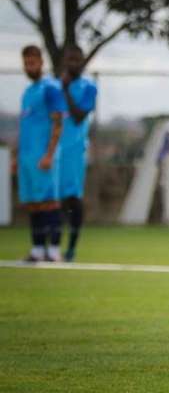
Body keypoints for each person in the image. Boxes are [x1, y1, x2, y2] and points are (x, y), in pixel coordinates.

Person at [16, 45, 66, 262]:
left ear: (41, 62)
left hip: (44, 156)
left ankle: (53, 250)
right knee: (33, 203)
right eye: (26, 63)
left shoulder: (51, 88)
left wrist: (49, 154)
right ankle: (37, 249)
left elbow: (58, 123)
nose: (29, 67)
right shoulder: (27, 92)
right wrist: (17, 157)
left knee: (49, 202)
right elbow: (25, 127)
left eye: (33, 62)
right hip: (26, 158)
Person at [58, 45, 98, 262]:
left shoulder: (88, 87)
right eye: (69, 60)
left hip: (74, 151)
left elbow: (79, 116)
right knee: (53, 200)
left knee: (73, 198)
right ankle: (50, 246)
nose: (73, 64)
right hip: (54, 151)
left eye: (77, 60)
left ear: (82, 62)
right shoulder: (55, 87)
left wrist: (65, 91)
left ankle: (71, 248)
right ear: (64, 62)